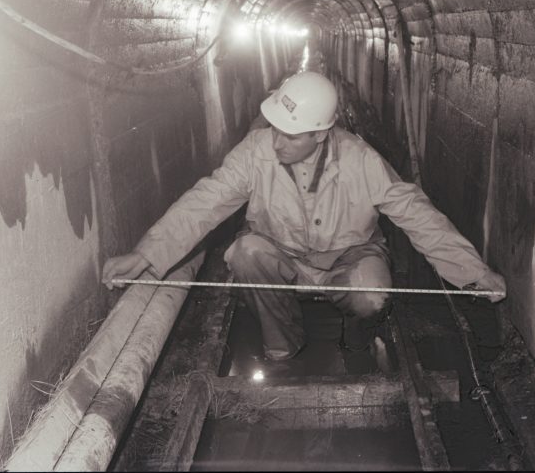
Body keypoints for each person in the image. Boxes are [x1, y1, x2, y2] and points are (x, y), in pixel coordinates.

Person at [102, 71, 507, 374]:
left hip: (350, 256)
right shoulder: (257, 151)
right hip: (283, 254)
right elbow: (205, 201)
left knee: (371, 293)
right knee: (245, 252)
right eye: (276, 129)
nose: (277, 143)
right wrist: (145, 254)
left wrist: (473, 273)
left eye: (291, 136)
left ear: (320, 134)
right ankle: (283, 352)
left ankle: (358, 338)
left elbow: (417, 215)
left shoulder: (361, 161)